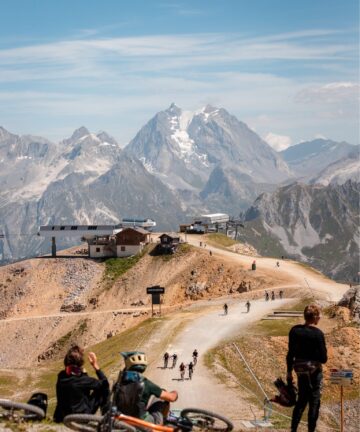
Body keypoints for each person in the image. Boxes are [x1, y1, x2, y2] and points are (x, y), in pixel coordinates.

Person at [286, 304, 327, 432]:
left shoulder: (294, 330)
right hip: (314, 372)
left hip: (300, 372)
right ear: (314, 317)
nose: (320, 317)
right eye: (319, 315)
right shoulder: (318, 334)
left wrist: (288, 372)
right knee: (314, 402)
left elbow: (290, 354)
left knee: (301, 401)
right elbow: (323, 359)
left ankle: (293, 430)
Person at [114, 351, 178, 425]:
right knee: (163, 400)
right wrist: (175, 393)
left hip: (123, 420)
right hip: (143, 424)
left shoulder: (119, 383)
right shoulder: (146, 383)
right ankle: (163, 422)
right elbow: (171, 398)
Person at [53, 346, 109, 423]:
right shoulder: (83, 380)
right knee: (103, 389)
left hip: (62, 417)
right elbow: (105, 384)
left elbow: (75, 382)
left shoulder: (61, 376)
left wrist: (83, 374)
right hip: (81, 419)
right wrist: (95, 365)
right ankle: (106, 420)